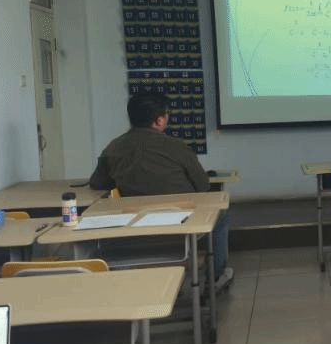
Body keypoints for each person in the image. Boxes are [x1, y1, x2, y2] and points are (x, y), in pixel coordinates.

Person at [90, 92, 232, 288]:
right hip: (182, 227)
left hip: (134, 229)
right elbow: (203, 186)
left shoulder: (113, 148)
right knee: (220, 215)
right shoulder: (177, 147)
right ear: (159, 121)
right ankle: (217, 277)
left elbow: (97, 183)